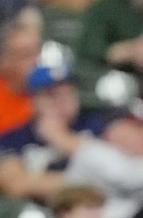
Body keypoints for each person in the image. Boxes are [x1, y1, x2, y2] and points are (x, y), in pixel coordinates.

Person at [0, 64, 105, 201]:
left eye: (69, 92)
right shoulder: (13, 137)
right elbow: (16, 185)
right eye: (52, 95)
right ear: (33, 101)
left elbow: (117, 170)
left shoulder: (95, 122)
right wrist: (88, 180)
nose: (64, 101)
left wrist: (62, 139)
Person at [0, 19, 41, 136]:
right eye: (26, 55)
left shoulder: (52, 90)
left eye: (39, 52)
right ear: (4, 63)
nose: (37, 61)